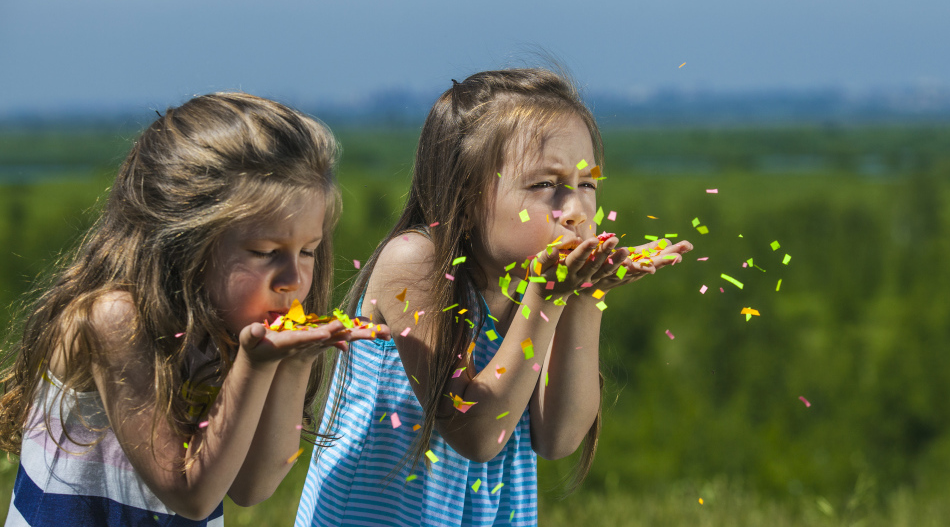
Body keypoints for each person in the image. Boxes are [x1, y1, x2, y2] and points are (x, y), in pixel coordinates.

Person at [295, 69, 693, 526]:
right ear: (465, 198)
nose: (576, 212)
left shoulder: (533, 285)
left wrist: (585, 295)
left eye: (587, 184)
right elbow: (478, 435)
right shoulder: (415, 263)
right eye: (545, 185)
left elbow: (558, 438)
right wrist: (547, 297)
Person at [0, 93, 388, 526]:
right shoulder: (116, 319)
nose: (292, 279)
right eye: (265, 252)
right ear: (185, 240)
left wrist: (296, 362)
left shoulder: (224, 325)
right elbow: (193, 496)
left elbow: (252, 488)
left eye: (308, 251)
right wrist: (255, 367)